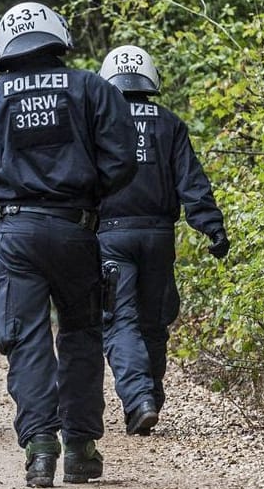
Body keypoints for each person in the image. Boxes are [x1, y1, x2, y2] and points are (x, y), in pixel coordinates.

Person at [0, 2, 137, 487]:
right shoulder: (93, 87)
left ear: (6, 48)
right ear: (59, 39)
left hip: (15, 232)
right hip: (77, 230)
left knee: (26, 337)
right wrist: (90, 199)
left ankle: (39, 446)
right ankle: (81, 448)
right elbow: (124, 161)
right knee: (81, 334)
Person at [95, 45, 228, 435]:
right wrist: (212, 227)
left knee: (121, 321)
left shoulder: (98, 122)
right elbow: (192, 181)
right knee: (153, 323)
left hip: (111, 236)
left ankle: (139, 399)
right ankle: (149, 395)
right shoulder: (169, 123)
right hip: (158, 236)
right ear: (150, 78)